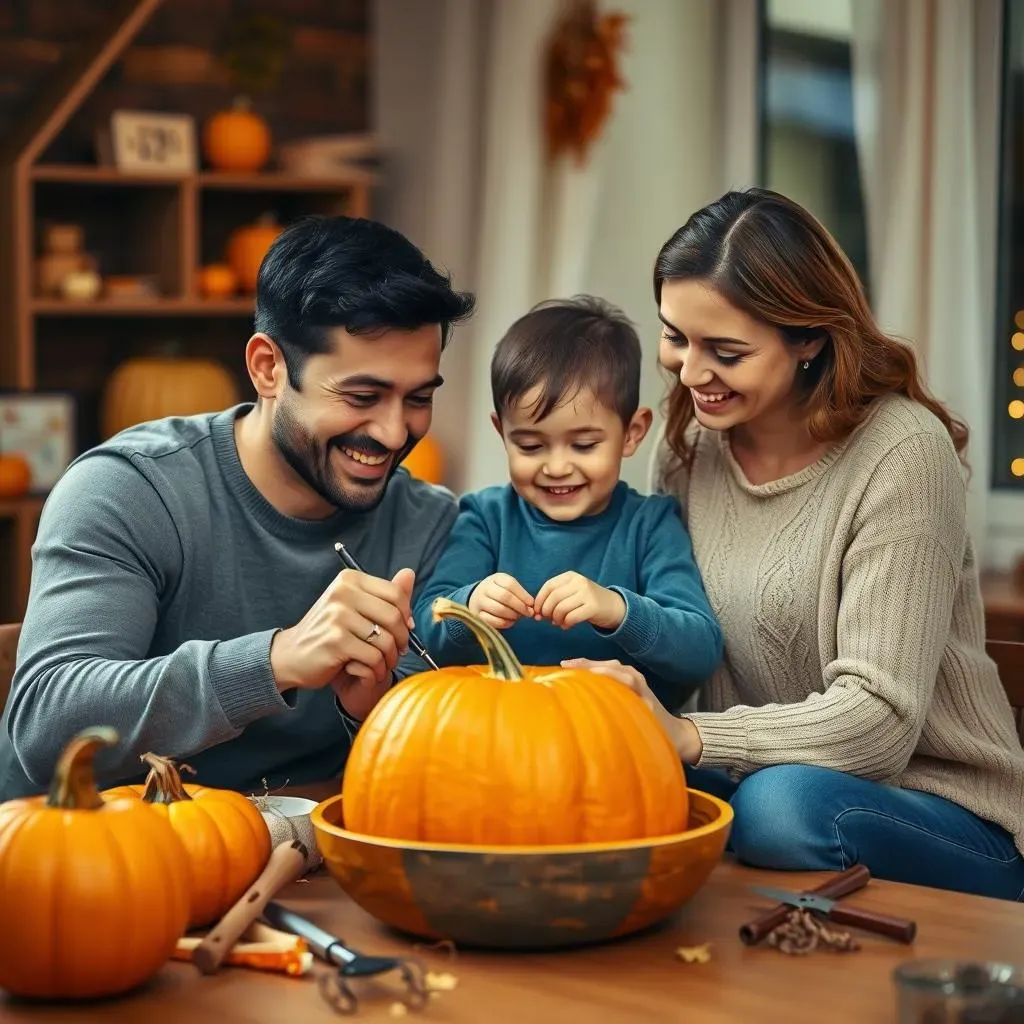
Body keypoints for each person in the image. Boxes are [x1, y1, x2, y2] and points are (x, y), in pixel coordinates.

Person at [568, 188, 1024, 901]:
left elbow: (880, 723)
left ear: (809, 338)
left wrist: (688, 739)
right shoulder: (691, 447)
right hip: (749, 779)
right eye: (676, 338)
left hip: (938, 810)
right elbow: (685, 636)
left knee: (779, 810)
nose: (689, 374)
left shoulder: (904, 453)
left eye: (726, 351)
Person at [0, 215, 475, 800]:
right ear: (268, 368)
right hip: (97, 865)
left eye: (419, 398)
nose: (395, 430)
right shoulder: (127, 490)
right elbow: (47, 728)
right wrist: (276, 660)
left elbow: (433, 768)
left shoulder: (432, 524)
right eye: (362, 396)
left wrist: (370, 712)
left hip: (305, 868)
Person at [413, 296, 723, 713]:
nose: (557, 467)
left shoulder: (650, 525)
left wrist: (616, 609)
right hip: (494, 734)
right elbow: (427, 624)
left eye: (583, 444)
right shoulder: (486, 519)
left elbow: (700, 650)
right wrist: (470, 606)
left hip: (615, 738)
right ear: (502, 432)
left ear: (632, 433)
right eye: (530, 445)